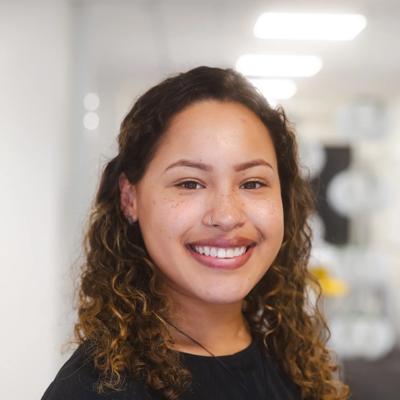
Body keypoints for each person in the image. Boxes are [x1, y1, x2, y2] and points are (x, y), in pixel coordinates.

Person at [41, 66, 349, 400]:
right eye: (190, 183)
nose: (227, 216)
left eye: (252, 183)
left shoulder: (291, 359)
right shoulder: (96, 390)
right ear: (130, 199)